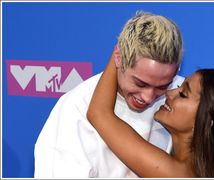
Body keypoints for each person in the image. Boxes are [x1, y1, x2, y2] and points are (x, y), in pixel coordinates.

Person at [34, 11, 184, 178]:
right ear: (118, 58)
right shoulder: (75, 108)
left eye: (162, 86)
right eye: (140, 83)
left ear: (176, 71)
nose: (148, 97)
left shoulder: (183, 98)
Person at [87, 52, 214, 177]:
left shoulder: (177, 173)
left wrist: (120, 53)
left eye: (183, 94)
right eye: (178, 87)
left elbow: (99, 113)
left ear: (207, 121)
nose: (170, 93)